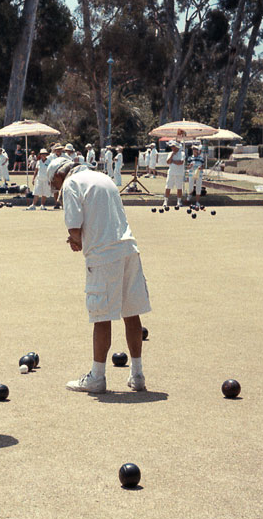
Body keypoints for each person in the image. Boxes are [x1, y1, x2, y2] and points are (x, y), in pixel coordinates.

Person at [48, 156, 150, 394]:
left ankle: (97, 376)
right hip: (129, 249)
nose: (56, 188)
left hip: (103, 256)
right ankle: (137, 374)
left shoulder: (72, 184)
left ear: (60, 175)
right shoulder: (104, 178)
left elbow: (74, 228)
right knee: (131, 313)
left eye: (54, 182)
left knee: (101, 316)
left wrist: (75, 241)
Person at [163, 141, 185, 206]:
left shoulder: (182, 153)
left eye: (173, 146)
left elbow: (180, 162)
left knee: (179, 187)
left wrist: (172, 161)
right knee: (168, 187)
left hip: (179, 173)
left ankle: (179, 202)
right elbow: (168, 162)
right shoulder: (170, 153)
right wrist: (172, 155)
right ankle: (165, 201)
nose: (172, 148)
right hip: (171, 173)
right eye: (171, 147)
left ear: (176, 147)